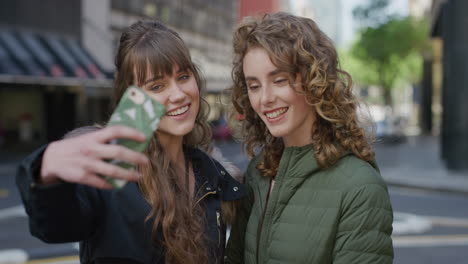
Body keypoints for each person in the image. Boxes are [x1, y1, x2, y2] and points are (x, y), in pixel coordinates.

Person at [16, 20, 245, 264]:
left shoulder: (213, 174)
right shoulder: (109, 170)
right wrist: (45, 172)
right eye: (157, 86)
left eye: (183, 76)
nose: (178, 95)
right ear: (131, 98)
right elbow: (57, 228)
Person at [225, 12, 393, 264]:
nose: (265, 98)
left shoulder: (360, 188)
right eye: (254, 86)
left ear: (316, 81)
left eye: (279, 80)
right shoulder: (258, 173)